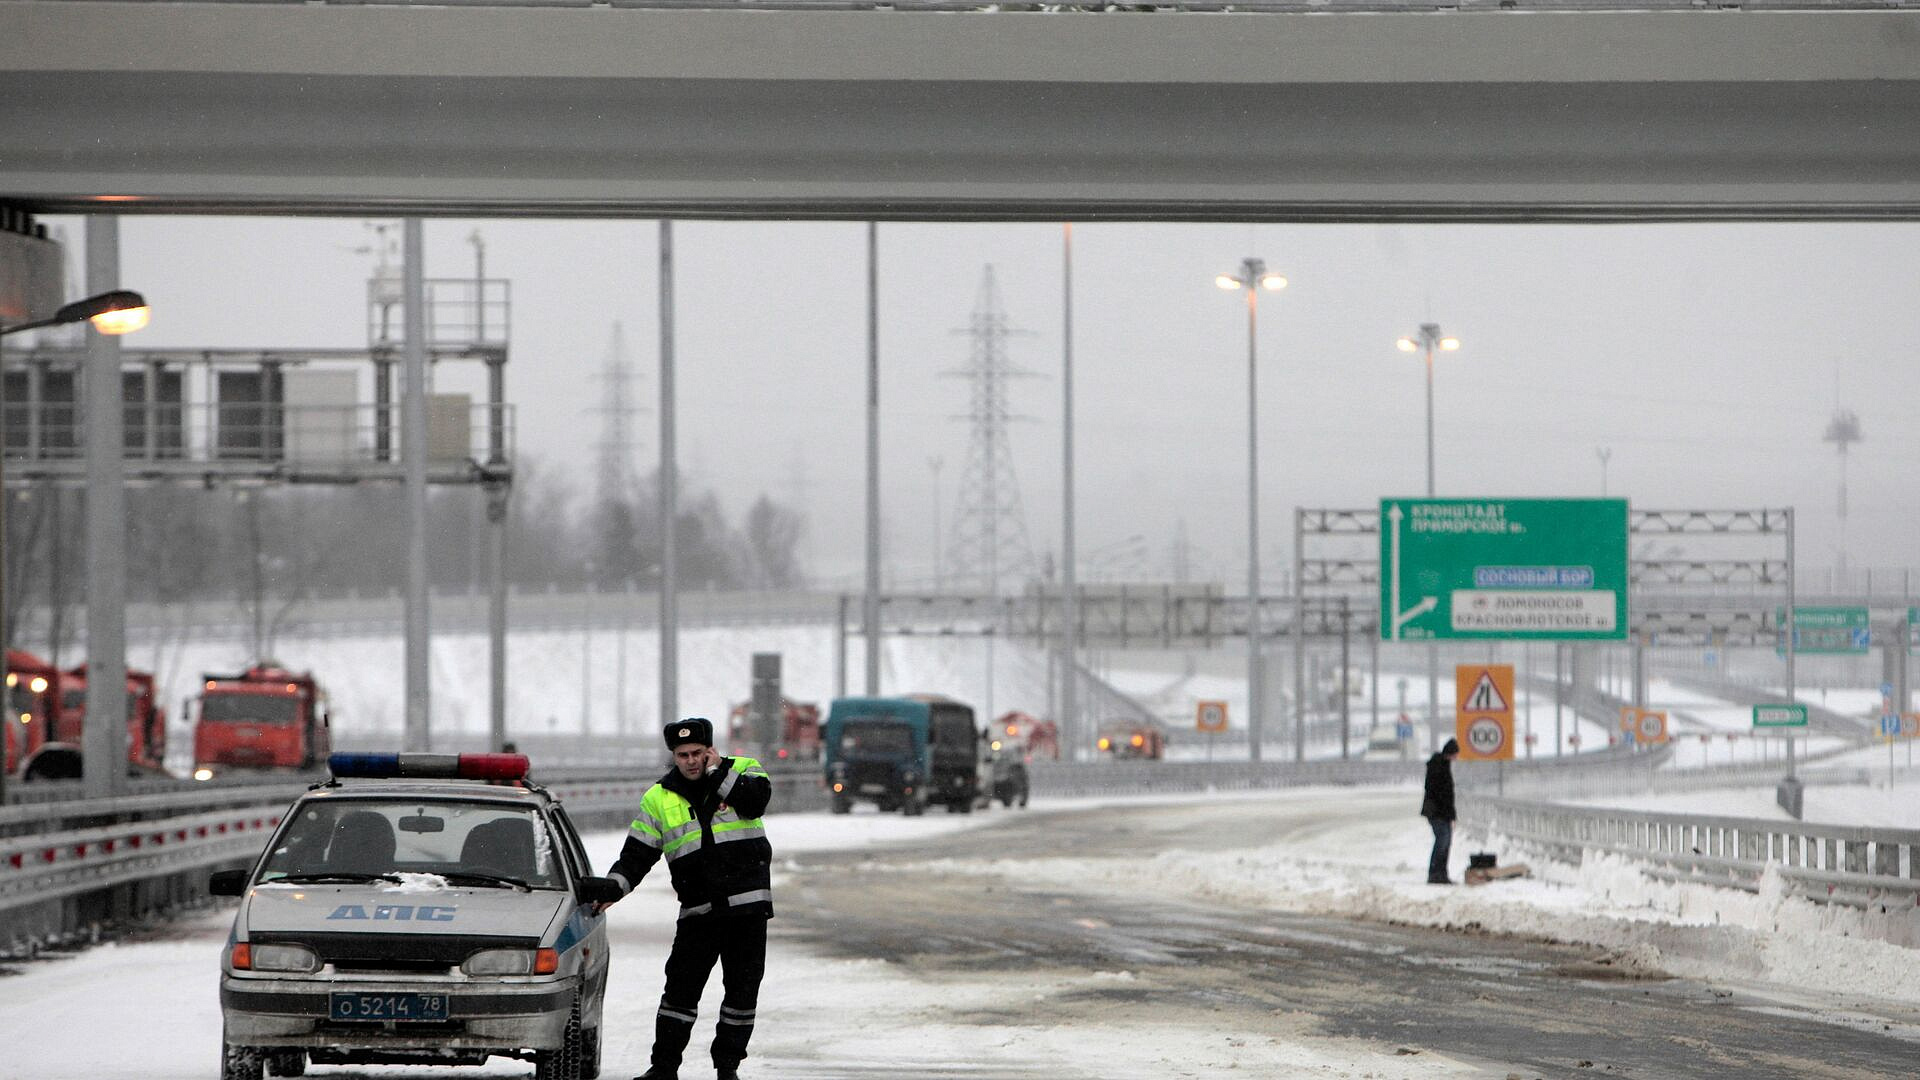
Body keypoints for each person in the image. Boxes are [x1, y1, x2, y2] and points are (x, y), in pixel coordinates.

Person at [597, 718, 773, 1080]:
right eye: (682, 755)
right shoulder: (659, 798)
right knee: (678, 993)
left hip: (747, 911)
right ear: (673, 756)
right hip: (700, 913)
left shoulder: (743, 770)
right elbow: (637, 855)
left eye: (697, 753)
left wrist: (716, 773)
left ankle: (727, 1067)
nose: (691, 761)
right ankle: (663, 1068)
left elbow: (755, 802)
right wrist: (614, 887)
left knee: (741, 995)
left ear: (710, 749)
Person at [1421, 737, 1459, 884]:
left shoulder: (1442, 765)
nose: (1456, 758)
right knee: (1442, 841)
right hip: (1437, 812)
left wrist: (1451, 815)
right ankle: (1436, 874)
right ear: (1451, 752)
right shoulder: (1439, 766)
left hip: (1440, 812)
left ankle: (1440, 873)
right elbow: (1443, 794)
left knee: (1444, 842)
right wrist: (1449, 814)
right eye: (1455, 754)